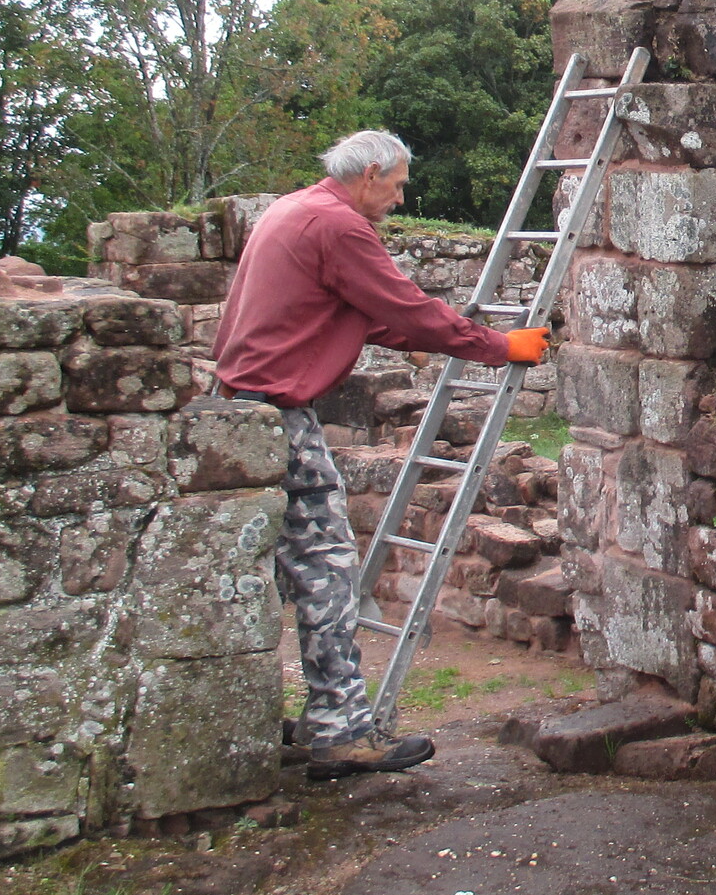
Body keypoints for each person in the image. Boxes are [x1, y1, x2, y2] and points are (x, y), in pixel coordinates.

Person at [213, 129, 550, 778]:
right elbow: (404, 308)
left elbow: (355, 313)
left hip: (242, 406)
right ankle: (339, 732)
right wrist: (499, 346)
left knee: (283, 569)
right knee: (327, 566)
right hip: (279, 413)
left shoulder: (294, 209)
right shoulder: (340, 226)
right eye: (396, 186)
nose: (399, 199)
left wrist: (429, 334)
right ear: (369, 174)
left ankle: (286, 723)